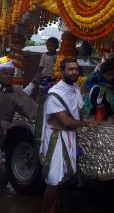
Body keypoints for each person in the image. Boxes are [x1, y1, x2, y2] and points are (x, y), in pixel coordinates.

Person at [40, 58, 98, 213]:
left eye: (76, 69)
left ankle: (52, 209)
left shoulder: (75, 89)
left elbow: (77, 114)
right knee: (54, 181)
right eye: (70, 69)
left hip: (69, 137)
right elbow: (66, 122)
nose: (74, 72)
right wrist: (87, 124)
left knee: (61, 180)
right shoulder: (55, 94)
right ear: (62, 71)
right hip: (56, 138)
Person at [0, 60, 38, 151]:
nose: (9, 76)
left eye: (11, 74)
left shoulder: (12, 91)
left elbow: (23, 98)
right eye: (5, 73)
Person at [33, 37, 60, 102]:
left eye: (52, 46)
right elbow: (41, 66)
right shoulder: (44, 55)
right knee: (40, 92)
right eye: (48, 46)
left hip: (54, 78)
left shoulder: (58, 55)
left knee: (51, 93)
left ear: (57, 46)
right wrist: (38, 75)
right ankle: (37, 106)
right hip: (44, 76)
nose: (49, 47)